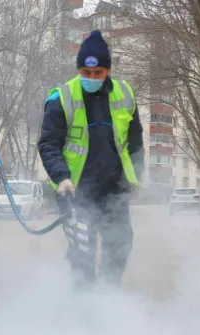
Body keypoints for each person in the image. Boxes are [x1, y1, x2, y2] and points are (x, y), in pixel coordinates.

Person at [37, 30, 144, 289]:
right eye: (86, 73)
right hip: (75, 191)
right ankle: (84, 310)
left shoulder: (125, 94)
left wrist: (136, 176)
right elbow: (49, 143)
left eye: (98, 73)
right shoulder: (62, 98)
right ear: (79, 70)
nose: (92, 78)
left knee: (119, 245)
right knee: (82, 252)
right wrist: (61, 177)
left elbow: (135, 141)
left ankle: (107, 297)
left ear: (107, 70)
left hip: (113, 189)